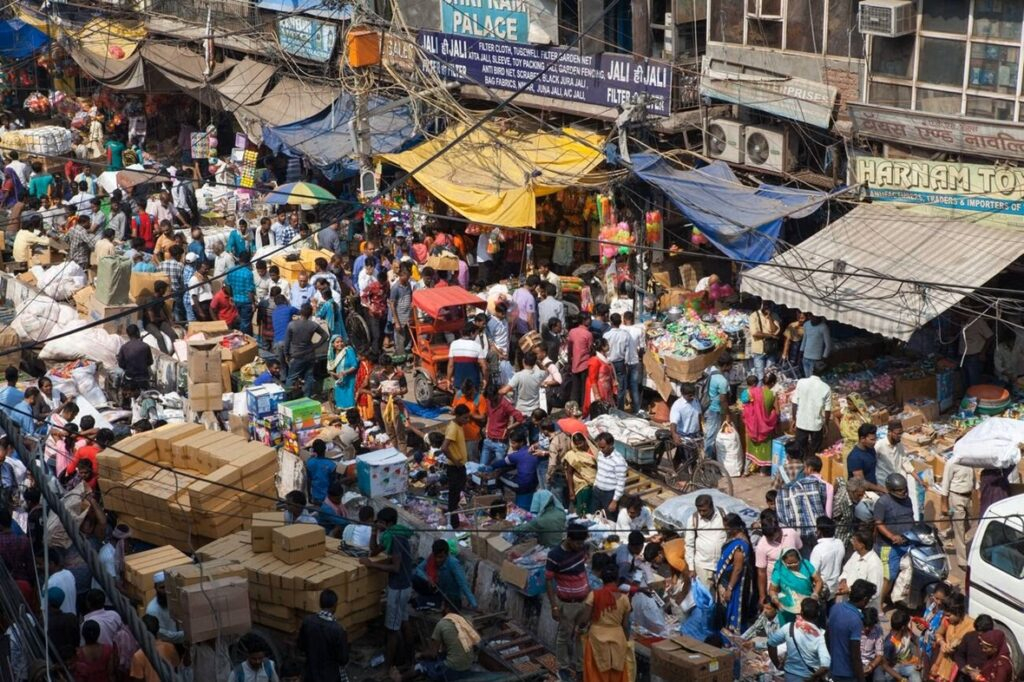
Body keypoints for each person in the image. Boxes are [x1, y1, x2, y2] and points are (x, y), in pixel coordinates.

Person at [362, 507, 415, 681]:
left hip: (399, 587)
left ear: (389, 523)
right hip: (403, 586)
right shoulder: (389, 535)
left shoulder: (397, 538)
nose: (378, 524)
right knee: (404, 621)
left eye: (381, 523)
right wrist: (373, 532)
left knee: (392, 629)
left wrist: (372, 566)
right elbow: (374, 550)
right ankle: (410, 659)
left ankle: (388, 667)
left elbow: (395, 567)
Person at [546, 523, 591, 682]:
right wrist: (554, 606)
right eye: (577, 543)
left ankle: (579, 668)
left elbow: (583, 569)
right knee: (564, 636)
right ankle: (563, 667)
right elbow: (549, 582)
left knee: (580, 635)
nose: (580, 546)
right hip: (566, 603)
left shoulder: (582, 549)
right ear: (569, 539)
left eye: (581, 543)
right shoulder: (554, 555)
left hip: (583, 601)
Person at [577, 564, 632, 682]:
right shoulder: (624, 598)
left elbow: (584, 620)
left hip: (596, 637)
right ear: (617, 580)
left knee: (596, 672)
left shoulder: (594, 595)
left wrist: (579, 628)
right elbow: (626, 625)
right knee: (616, 672)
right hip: (618, 638)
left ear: (602, 579)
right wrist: (626, 641)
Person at [874, 473, 916, 608]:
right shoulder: (883, 502)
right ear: (891, 490)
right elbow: (879, 523)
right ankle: (879, 606)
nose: (903, 492)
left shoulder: (907, 500)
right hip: (888, 546)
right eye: (899, 490)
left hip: (907, 542)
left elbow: (911, 518)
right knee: (889, 576)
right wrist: (892, 536)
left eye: (904, 489)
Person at [766, 598, 830, 681]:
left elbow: (770, 643)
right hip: (809, 677)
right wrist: (812, 678)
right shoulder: (821, 636)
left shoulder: (789, 627)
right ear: (818, 614)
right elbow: (825, 666)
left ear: (801, 613)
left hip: (790, 675)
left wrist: (777, 663)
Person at [417, 598, 479, 681]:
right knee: (442, 656)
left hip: (451, 670)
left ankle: (400, 678)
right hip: (467, 666)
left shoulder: (442, 624)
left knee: (420, 666)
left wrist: (420, 654)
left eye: (443, 606)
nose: (441, 609)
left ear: (447, 609)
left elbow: (433, 654)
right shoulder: (468, 620)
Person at [828, 579, 877, 682]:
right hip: (848, 673)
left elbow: (827, 636)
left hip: (833, 667)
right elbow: (855, 655)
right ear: (864, 599)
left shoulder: (835, 608)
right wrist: (861, 679)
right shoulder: (856, 620)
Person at [777, 455, 829, 552]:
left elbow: (782, 514)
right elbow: (824, 506)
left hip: (798, 531)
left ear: (809, 469)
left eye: (805, 468)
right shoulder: (822, 485)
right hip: (817, 530)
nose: (804, 471)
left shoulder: (785, 490)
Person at [715, 513, 757, 630]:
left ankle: (733, 636)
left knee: (732, 609)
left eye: (727, 528)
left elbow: (737, 569)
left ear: (734, 527)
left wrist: (729, 588)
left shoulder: (740, 545)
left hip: (734, 584)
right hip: (726, 581)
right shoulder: (734, 539)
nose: (725, 530)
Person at [296, 589, 349, 682]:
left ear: (320, 604)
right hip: (330, 677)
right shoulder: (338, 630)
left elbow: (301, 646)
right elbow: (343, 659)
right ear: (335, 606)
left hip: (311, 673)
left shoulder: (308, 621)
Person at [412, 539, 478, 610]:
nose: (437, 560)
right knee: (415, 578)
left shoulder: (453, 563)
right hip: (437, 591)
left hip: (451, 596)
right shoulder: (431, 559)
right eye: (436, 557)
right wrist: (428, 579)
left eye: (440, 557)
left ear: (446, 555)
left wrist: (474, 604)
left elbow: (463, 584)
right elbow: (418, 569)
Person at [754, 509, 801, 602]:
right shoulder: (762, 545)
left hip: (795, 584)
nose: (770, 539)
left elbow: (800, 550)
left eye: (772, 536)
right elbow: (761, 572)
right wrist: (762, 596)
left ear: (778, 529)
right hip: (775, 589)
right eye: (768, 537)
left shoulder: (791, 533)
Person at [769, 547, 822, 625]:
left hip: (806, 606)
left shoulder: (806, 565)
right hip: (787, 608)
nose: (793, 566)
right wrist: (775, 599)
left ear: (799, 558)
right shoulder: (779, 571)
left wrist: (815, 594)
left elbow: (818, 581)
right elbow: (772, 590)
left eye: (795, 562)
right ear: (783, 561)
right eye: (789, 564)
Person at [285, 304, 328, 398]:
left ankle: (287, 399)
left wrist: (286, 354)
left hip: (296, 355)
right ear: (310, 313)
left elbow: (287, 342)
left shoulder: (292, 324)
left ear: (300, 312)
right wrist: (316, 345)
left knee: (291, 377)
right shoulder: (313, 325)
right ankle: (307, 397)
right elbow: (325, 335)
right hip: (310, 354)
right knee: (309, 377)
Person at [491, 428, 539, 510]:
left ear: (521, 442)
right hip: (534, 484)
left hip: (522, 486)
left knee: (498, 476)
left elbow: (499, 464)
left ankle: (499, 503)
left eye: (513, 443)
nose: (511, 446)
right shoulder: (532, 450)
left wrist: (489, 467)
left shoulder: (515, 456)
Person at [941, 458, 975, 572]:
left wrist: (977, 491)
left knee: (968, 524)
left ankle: (945, 535)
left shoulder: (969, 461)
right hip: (956, 497)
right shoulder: (951, 463)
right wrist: (944, 504)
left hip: (968, 497)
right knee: (959, 529)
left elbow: (973, 479)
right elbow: (945, 485)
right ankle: (962, 561)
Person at [792, 361, 831, 458]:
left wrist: (794, 418)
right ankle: (811, 467)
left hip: (801, 422)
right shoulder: (826, 388)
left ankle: (801, 466)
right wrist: (826, 424)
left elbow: (794, 403)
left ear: (812, 370)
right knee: (814, 450)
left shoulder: (801, 382)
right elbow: (827, 410)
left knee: (800, 448)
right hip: (816, 424)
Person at [930, 592, 973, 681]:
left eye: (949, 615)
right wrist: (942, 642)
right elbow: (938, 633)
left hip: (961, 670)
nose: (946, 618)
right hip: (944, 664)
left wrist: (958, 648)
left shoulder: (971, 626)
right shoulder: (947, 621)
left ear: (958, 612)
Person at [743, 371, 779, 474]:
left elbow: (746, 404)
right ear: (772, 383)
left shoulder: (753, 392)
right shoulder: (773, 394)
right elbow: (777, 412)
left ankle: (746, 470)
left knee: (751, 449)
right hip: (765, 427)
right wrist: (771, 414)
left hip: (754, 426)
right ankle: (763, 471)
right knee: (765, 448)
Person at [481, 384, 525, 467]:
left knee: (498, 469)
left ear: (496, 394)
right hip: (488, 440)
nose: (491, 401)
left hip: (500, 443)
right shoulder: (488, 401)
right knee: (481, 467)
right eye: (489, 399)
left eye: (492, 398)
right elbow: (489, 416)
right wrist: (487, 428)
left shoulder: (505, 404)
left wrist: (508, 428)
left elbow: (520, 419)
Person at [442, 405, 471, 528]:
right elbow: (444, 448)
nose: (467, 420)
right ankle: (454, 523)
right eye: (465, 418)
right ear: (458, 416)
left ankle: (453, 518)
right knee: (454, 496)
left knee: (457, 493)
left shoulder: (458, 426)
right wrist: (455, 461)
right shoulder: (453, 428)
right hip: (455, 467)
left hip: (459, 466)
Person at [702, 355, 732, 460]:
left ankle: (709, 456)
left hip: (706, 407)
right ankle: (707, 460)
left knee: (708, 433)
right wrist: (727, 414)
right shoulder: (722, 380)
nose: (731, 368)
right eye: (730, 366)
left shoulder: (711, 372)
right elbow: (723, 400)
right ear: (725, 365)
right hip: (714, 410)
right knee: (711, 436)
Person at [451, 381, 488, 463]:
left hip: (472, 436)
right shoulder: (459, 394)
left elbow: (483, 418)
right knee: (460, 458)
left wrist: (471, 415)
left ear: (473, 389)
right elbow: (453, 407)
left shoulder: (479, 398)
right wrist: (454, 411)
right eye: (464, 394)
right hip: (458, 433)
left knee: (472, 459)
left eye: (468, 394)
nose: (466, 396)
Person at [883, 609, 925, 682]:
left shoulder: (907, 631)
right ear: (903, 627)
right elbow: (885, 666)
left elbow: (917, 642)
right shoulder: (889, 644)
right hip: (894, 668)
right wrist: (901, 679)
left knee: (916, 677)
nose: (909, 625)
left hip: (906, 663)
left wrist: (919, 661)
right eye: (908, 623)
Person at [591, 432, 627, 515]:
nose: (600, 449)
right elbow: (599, 471)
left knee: (609, 519)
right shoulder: (600, 454)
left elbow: (621, 483)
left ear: (611, 444)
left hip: (609, 495)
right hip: (597, 491)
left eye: (603, 447)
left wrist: (614, 501)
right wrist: (595, 485)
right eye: (599, 447)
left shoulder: (619, 461)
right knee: (593, 516)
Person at [809, 516, 844, 599]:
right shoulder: (839, 543)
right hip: (835, 587)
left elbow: (813, 572)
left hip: (822, 590)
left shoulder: (818, 548)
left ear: (820, 531)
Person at [145, 572, 185, 644]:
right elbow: (164, 635)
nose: (166, 590)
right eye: (162, 587)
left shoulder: (176, 600)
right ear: (156, 588)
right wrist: (186, 635)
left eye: (167, 586)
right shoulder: (152, 610)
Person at [448, 323, 488, 393]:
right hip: (474, 384)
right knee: (475, 402)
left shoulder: (453, 344)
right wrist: (485, 379)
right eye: (476, 334)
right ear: (471, 333)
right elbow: (484, 366)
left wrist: (448, 379)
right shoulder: (477, 346)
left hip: (458, 383)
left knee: (460, 402)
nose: (476, 336)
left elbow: (451, 365)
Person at [848, 423, 887, 494]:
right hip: (864, 494)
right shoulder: (855, 458)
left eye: (875, 439)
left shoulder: (870, 449)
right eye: (872, 440)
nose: (875, 442)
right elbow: (862, 482)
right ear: (862, 439)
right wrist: (881, 489)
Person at [564, 432, 597, 515]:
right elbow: (569, 473)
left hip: (595, 483)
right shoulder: (571, 455)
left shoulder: (593, 451)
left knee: (593, 509)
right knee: (583, 510)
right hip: (581, 485)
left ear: (585, 441)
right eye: (577, 444)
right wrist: (571, 491)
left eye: (581, 443)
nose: (579, 446)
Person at [141, 280, 177, 355]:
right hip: (149, 323)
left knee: (173, 334)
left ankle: (175, 353)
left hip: (159, 321)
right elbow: (152, 319)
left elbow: (163, 311)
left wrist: (170, 322)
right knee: (159, 337)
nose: (165, 291)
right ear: (161, 290)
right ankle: (166, 356)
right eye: (164, 289)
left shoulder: (161, 299)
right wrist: (163, 319)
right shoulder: (149, 300)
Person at [583, 338, 616, 415]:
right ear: (602, 347)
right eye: (607, 344)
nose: (609, 345)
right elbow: (592, 379)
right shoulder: (594, 360)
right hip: (598, 388)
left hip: (606, 389)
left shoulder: (605, 359)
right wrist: (596, 394)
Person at [566, 315, 593, 407]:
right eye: (588, 319)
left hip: (574, 364)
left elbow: (569, 348)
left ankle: (572, 408)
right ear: (584, 320)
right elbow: (590, 349)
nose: (590, 321)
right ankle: (583, 408)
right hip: (585, 364)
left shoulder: (572, 332)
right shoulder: (588, 334)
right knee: (584, 389)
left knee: (575, 388)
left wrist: (570, 360)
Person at [117, 325, 153, 390]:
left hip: (130, 377)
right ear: (137, 332)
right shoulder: (145, 346)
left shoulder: (124, 347)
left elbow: (121, 364)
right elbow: (150, 362)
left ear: (128, 334)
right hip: (143, 377)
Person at [326, 335, 357, 410]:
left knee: (350, 401)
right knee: (341, 401)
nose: (340, 344)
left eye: (341, 341)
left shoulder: (348, 350)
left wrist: (344, 372)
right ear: (333, 344)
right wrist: (333, 374)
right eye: (337, 342)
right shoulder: (332, 354)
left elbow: (354, 365)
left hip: (349, 380)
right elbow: (330, 368)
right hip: (339, 381)